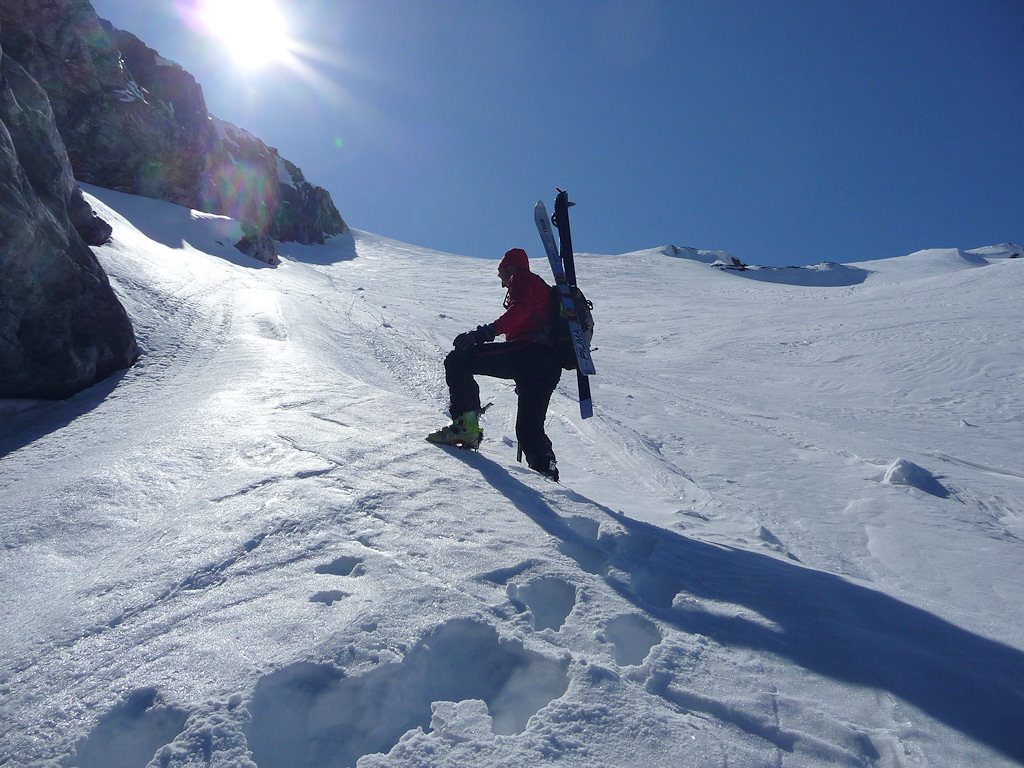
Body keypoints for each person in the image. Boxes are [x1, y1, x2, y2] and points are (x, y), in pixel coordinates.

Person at [427, 248, 562, 481]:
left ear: (508, 267)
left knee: (458, 360)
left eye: (501, 273)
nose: (502, 281)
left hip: (529, 352)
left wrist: (485, 332)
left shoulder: (521, 278)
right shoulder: (542, 289)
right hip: (548, 365)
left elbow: (520, 310)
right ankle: (546, 471)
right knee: (529, 428)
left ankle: (466, 428)